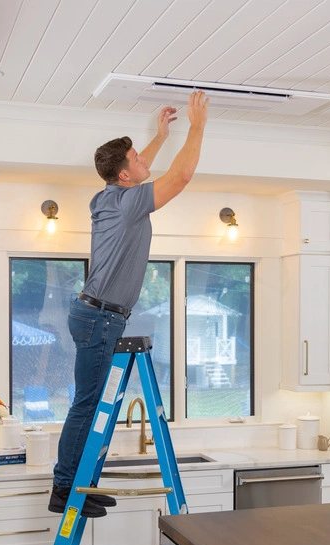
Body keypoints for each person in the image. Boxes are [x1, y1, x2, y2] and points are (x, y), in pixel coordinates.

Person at [49, 91, 209, 517]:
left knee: (92, 402)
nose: (145, 161)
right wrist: (196, 127)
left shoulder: (108, 196)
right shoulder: (127, 203)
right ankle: (65, 488)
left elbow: (141, 170)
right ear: (124, 175)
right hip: (101, 316)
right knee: (87, 404)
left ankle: (79, 483)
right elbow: (182, 176)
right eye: (138, 158)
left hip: (95, 312)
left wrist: (159, 135)